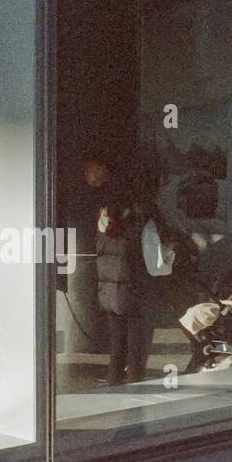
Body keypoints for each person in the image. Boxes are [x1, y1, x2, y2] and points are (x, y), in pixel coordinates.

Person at [85, 154, 151, 385]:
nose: (87, 176)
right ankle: (130, 375)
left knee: (120, 329)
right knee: (130, 328)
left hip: (115, 278)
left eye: (91, 169)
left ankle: (118, 375)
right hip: (124, 277)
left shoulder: (110, 202)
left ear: (103, 168)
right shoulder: (128, 205)